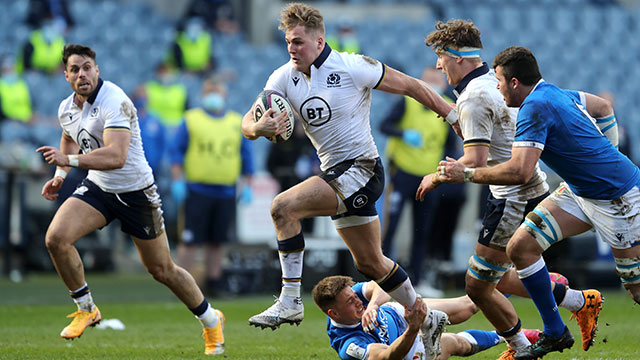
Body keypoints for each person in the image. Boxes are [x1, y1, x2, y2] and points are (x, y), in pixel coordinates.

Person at [241, 3, 459, 330]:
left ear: (319, 40)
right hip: (336, 173)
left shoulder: (352, 66)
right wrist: (259, 129)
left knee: (282, 208)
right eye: (288, 41)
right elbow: (249, 121)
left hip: (362, 168)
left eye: (298, 41)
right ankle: (426, 318)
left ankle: (289, 301)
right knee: (371, 263)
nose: (291, 48)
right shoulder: (282, 77)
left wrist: (452, 115)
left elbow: (411, 86)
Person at [416, 19, 602, 360]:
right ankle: (578, 301)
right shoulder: (494, 80)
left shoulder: (474, 98)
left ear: (458, 58)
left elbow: (473, 161)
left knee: (477, 285)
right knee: (496, 280)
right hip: (525, 188)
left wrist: (438, 176)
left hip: (512, 197)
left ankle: (523, 347)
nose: (438, 65)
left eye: (441, 56)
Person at [437, 45, 639, 359]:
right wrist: (608, 153)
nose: (498, 88)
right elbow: (602, 107)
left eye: (501, 82)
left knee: (636, 292)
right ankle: (556, 331)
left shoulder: (534, 107)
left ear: (515, 82)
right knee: (520, 247)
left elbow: (519, 171)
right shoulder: (555, 91)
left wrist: (464, 175)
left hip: (619, 200)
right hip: (580, 192)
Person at [35, 44, 225, 355]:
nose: (81, 73)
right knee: (56, 238)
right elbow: (68, 140)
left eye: (86, 67)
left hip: (136, 191)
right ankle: (86, 308)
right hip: (98, 187)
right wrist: (59, 175)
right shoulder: (66, 108)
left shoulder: (116, 100)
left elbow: (117, 156)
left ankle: (210, 320)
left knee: (162, 269)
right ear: (66, 76)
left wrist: (68, 163)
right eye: (74, 69)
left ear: (97, 70)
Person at [312, 274, 550, 360]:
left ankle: (525, 280)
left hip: (397, 313)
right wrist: (414, 329)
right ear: (333, 313)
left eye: (355, 296)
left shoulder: (355, 298)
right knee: (452, 343)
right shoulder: (349, 345)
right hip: (406, 351)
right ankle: (510, 337)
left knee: (468, 306)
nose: (357, 301)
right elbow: (387, 357)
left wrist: (373, 303)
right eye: (350, 302)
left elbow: (382, 285)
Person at [170, 77, 254, 297]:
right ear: (203, 95)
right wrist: (178, 180)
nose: (214, 96)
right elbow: (177, 153)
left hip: (225, 192)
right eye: (210, 91)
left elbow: (246, 156)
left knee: (217, 242)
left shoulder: (236, 122)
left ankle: (214, 284)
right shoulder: (191, 119)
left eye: (217, 91)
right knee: (189, 242)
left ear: (225, 95)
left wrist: (247, 185)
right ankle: (182, 287)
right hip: (197, 190)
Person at [379, 66, 453, 297]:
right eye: (428, 81)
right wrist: (403, 134)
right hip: (401, 173)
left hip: (429, 178)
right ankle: (381, 279)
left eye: (436, 81)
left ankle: (418, 280)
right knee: (391, 227)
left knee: (422, 231)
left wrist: (446, 167)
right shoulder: (407, 102)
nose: (432, 86)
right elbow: (384, 125)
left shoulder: (448, 105)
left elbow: (452, 141)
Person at [143, 62, 188, 128]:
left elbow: (186, 110)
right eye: (162, 72)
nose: (165, 75)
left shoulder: (180, 90)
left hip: (175, 127)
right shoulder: (148, 88)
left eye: (167, 72)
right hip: (154, 127)